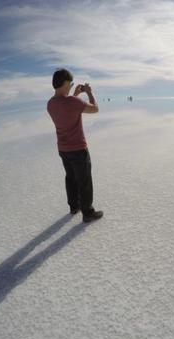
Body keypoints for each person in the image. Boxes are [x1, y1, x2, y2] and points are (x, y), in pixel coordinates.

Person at [47, 69, 103, 223]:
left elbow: (66, 108)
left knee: (70, 178)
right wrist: (89, 93)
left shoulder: (50, 104)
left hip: (63, 149)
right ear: (65, 83)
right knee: (84, 180)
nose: (71, 86)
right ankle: (88, 212)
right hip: (78, 148)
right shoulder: (72, 102)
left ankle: (74, 206)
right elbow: (95, 109)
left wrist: (75, 95)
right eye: (70, 83)